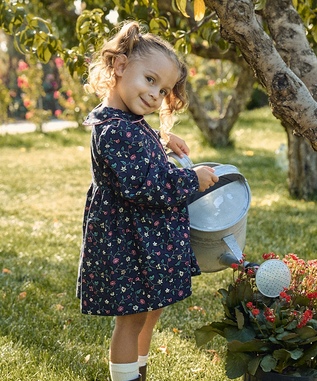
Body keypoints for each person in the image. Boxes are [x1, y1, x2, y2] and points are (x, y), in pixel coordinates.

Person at [76, 21, 219, 381]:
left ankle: (138, 368)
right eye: (150, 80)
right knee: (132, 316)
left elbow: (137, 142)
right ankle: (127, 376)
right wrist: (192, 179)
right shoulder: (112, 130)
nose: (156, 95)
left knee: (151, 307)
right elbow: (144, 184)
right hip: (128, 240)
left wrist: (162, 138)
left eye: (165, 89)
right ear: (120, 67)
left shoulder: (127, 121)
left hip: (145, 236)